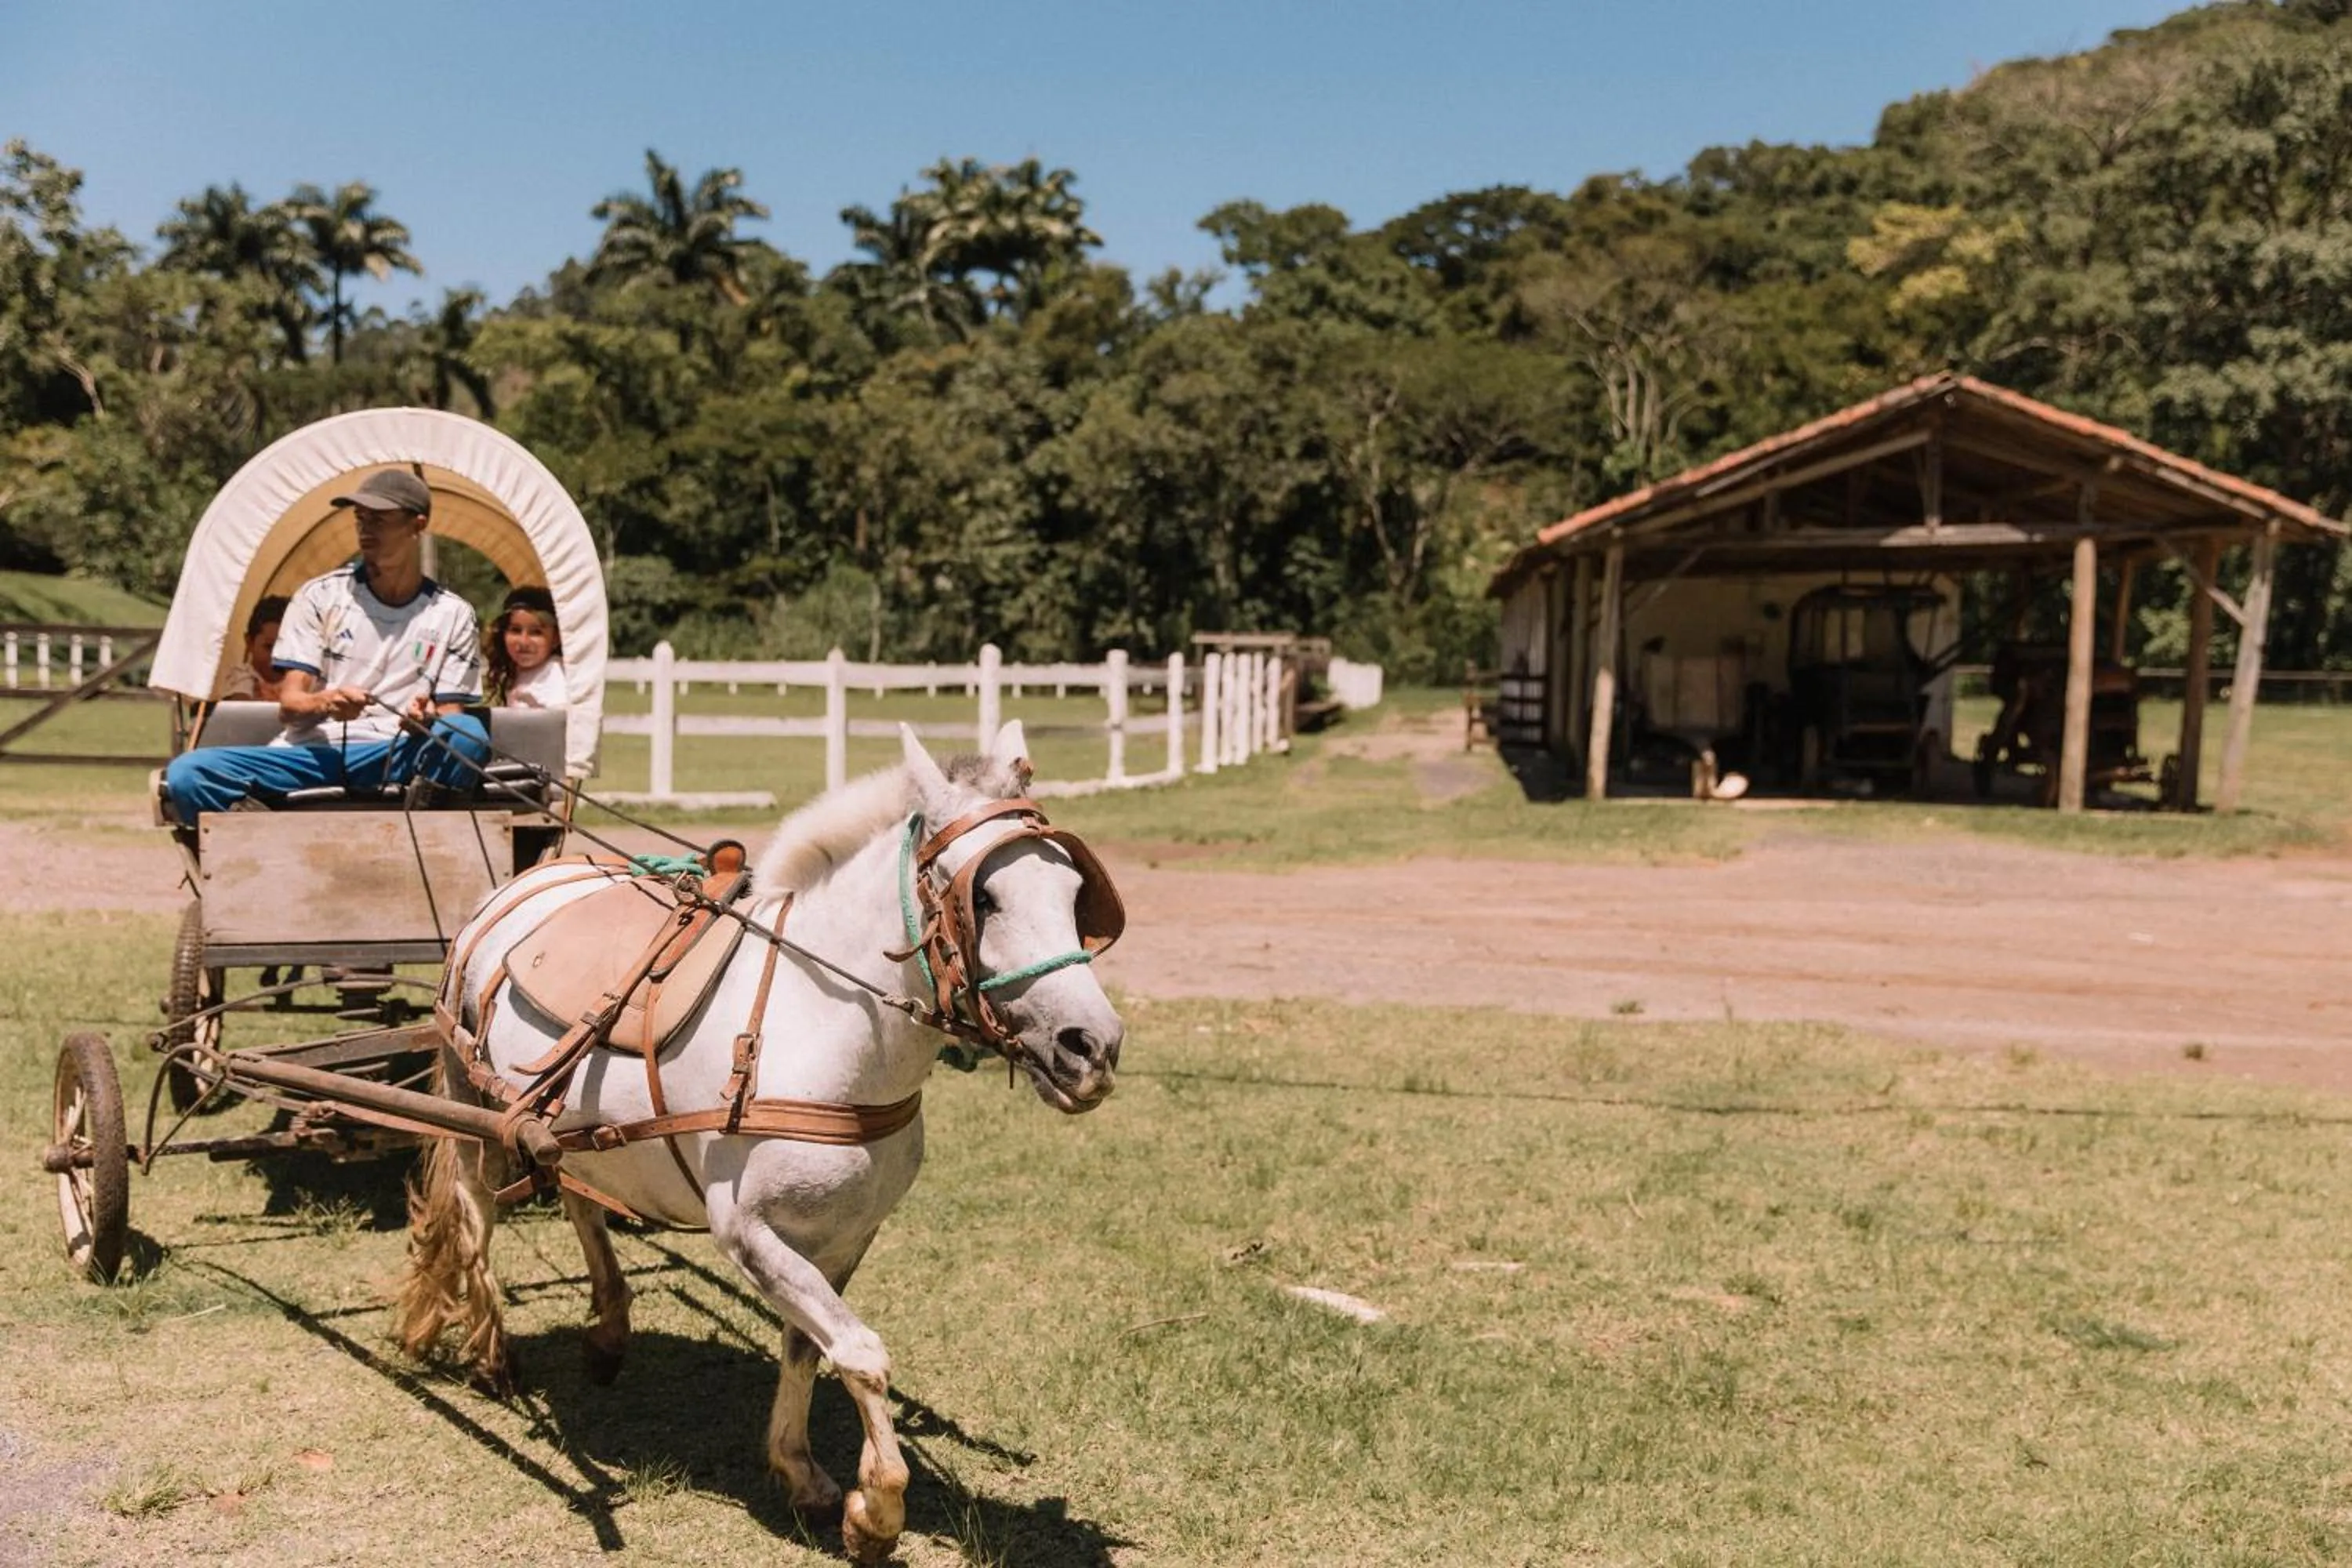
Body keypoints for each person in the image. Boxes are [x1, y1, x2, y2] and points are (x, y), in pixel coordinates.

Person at [162, 470, 490, 821]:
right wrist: (326, 702)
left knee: (468, 733)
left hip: (399, 752)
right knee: (189, 774)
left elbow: (451, 715)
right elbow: (290, 704)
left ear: (417, 525)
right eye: (360, 519)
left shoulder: (452, 613)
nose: (366, 529)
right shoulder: (319, 597)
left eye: (379, 520)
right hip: (318, 752)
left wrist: (422, 721)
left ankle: (423, 830)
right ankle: (273, 839)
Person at [483, 584, 568, 709]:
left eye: (536, 633)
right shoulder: (516, 671)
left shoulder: (555, 675)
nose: (524, 641)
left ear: (556, 638)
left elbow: (560, 722)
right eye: (516, 630)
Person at [220, 594, 290, 701]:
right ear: (250, 643)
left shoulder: (300, 677)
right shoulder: (243, 676)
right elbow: (239, 705)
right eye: (269, 647)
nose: (277, 657)